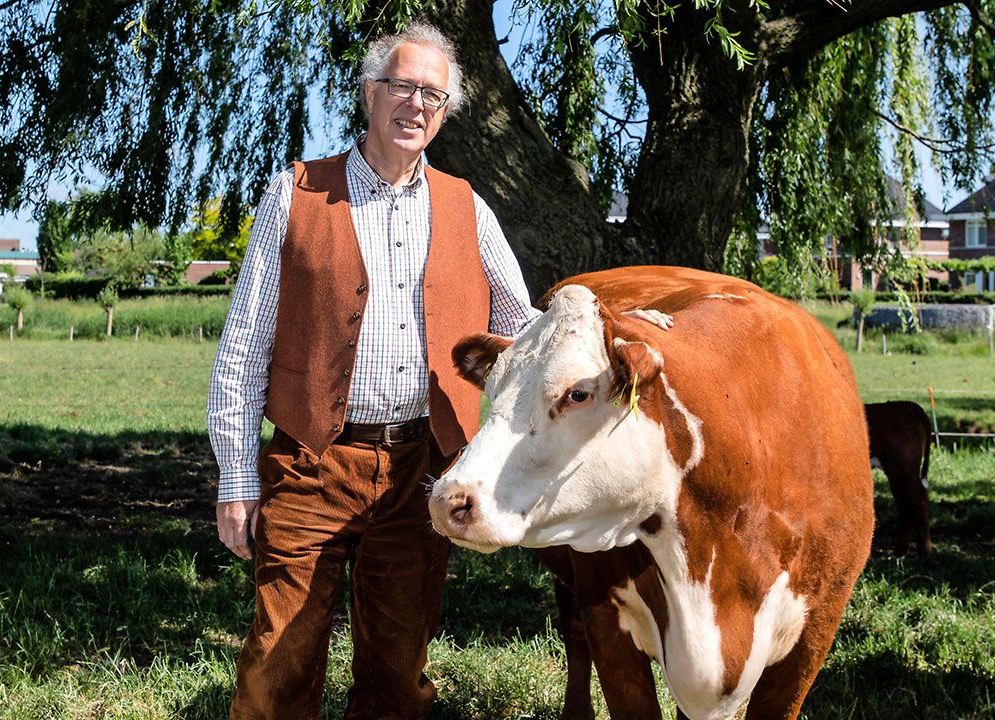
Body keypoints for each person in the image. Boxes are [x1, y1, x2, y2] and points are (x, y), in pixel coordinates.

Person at [207, 21, 672, 720]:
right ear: (369, 93)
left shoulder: (466, 205)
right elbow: (242, 346)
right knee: (278, 666)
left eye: (433, 94)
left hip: (419, 469)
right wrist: (237, 481)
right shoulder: (295, 194)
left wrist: (620, 330)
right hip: (309, 463)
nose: (416, 104)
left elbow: (525, 329)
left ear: (446, 113)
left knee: (397, 678)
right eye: (402, 86)